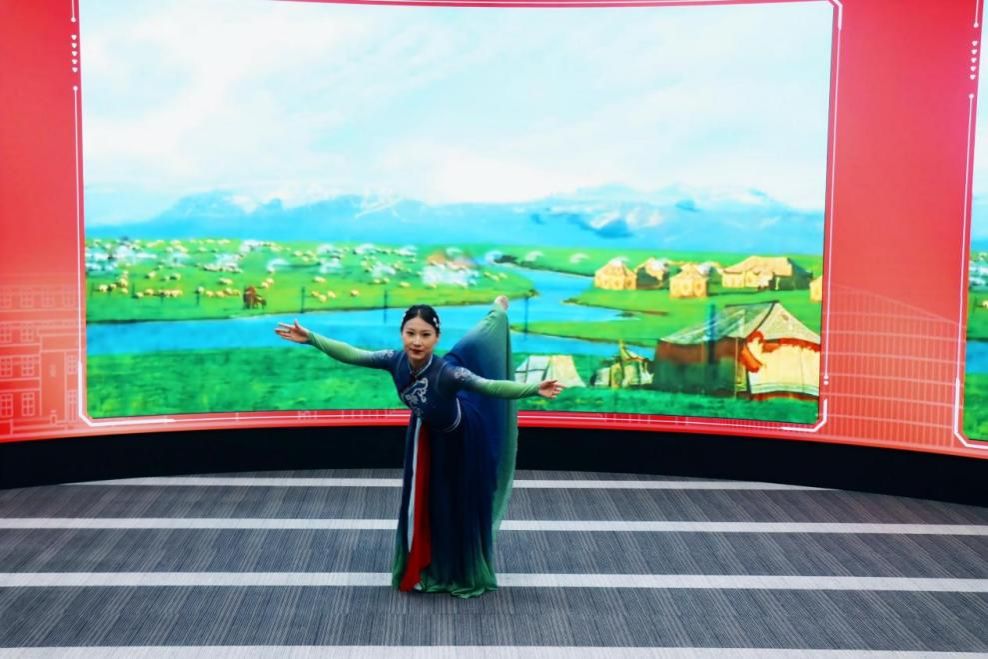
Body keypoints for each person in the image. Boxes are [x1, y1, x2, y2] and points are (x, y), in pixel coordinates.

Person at [274, 296, 563, 598]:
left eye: (425, 335)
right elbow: (354, 354)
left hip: (463, 439)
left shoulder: (449, 374)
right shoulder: (394, 360)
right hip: (427, 434)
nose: (417, 341)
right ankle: (428, 563)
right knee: (430, 503)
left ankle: (498, 310)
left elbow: (488, 386)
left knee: (457, 505)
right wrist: (311, 338)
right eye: (410, 333)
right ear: (402, 333)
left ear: (437, 338)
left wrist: (534, 388)